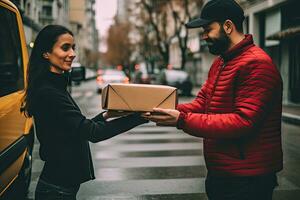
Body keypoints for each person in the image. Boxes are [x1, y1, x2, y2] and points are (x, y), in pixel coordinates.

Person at [143, 0, 283, 199]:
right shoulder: (221, 63)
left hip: (248, 177)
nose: (204, 36)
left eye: (208, 29)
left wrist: (181, 120)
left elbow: (244, 121)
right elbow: (202, 104)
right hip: (222, 172)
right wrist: (161, 109)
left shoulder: (257, 64)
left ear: (228, 26)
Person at [21, 25, 147, 200]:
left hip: (60, 188)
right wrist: (138, 117)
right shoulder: (49, 92)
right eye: (65, 48)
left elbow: (77, 127)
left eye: (73, 48)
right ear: (46, 53)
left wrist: (107, 115)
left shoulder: (56, 86)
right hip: (56, 191)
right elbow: (92, 132)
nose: (72, 54)